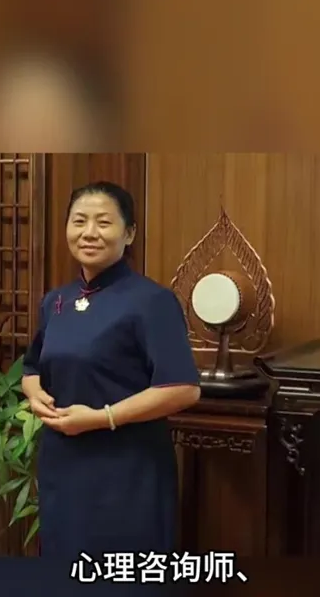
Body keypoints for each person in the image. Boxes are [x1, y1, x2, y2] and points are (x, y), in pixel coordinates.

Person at [22, 181, 201, 559]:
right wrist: (35, 395)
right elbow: (33, 367)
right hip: (63, 465)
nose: (89, 233)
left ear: (129, 233)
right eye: (79, 221)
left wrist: (102, 418)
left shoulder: (152, 301)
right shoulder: (56, 301)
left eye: (103, 222)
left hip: (126, 470)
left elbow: (183, 388)